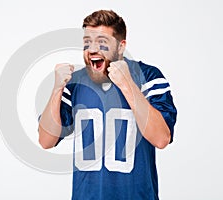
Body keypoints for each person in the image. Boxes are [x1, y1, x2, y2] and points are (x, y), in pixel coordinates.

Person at [38, 9, 177, 200]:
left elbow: (161, 138)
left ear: (121, 47)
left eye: (102, 42)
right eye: (87, 42)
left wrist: (127, 84)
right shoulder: (74, 83)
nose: (92, 49)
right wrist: (57, 89)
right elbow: (46, 141)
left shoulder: (148, 77)